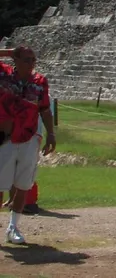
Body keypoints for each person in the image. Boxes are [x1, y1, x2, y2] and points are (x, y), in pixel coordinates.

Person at [0, 47, 56, 245]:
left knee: (23, 185)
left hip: (29, 137)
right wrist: (9, 52)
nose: (31, 63)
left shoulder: (40, 81)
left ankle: (13, 227)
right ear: (16, 61)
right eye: (26, 60)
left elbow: (45, 109)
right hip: (4, 137)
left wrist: (51, 133)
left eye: (33, 60)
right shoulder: (4, 75)